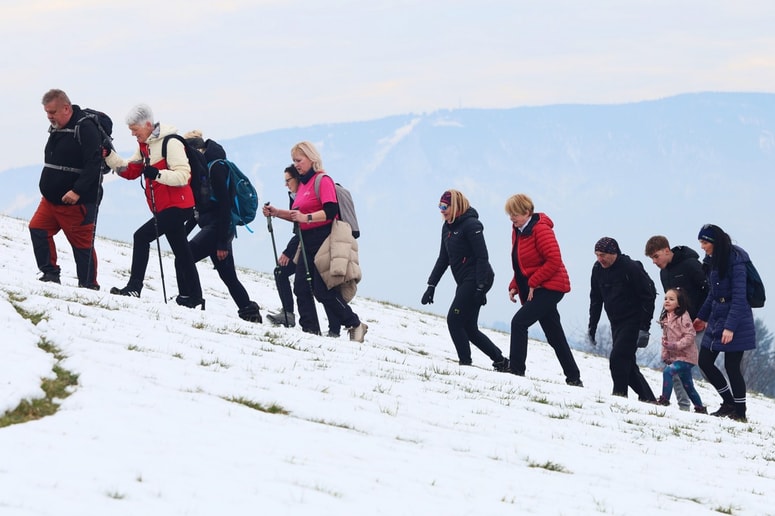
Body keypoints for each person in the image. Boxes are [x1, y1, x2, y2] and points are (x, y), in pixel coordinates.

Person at [264, 142, 367, 341]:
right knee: (301, 287)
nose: (296, 164)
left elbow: (330, 211)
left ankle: (355, 324)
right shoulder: (303, 184)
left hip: (323, 240)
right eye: (294, 161)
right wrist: (276, 212)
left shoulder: (323, 180)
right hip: (306, 242)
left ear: (312, 158)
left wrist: (307, 218)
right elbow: (297, 216)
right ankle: (310, 331)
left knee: (322, 290)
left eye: (299, 160)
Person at [104, 104, 204, 309]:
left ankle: (134, 287)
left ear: (148, 124)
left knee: (141, 237)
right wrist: (108, 155)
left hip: (178, 205)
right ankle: (195, 297)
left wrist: (157, 174)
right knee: (182, 251)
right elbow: (130, 171)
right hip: (166, 206)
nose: (133, 134)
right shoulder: (145, 145)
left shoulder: (170, 142)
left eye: (135, 130)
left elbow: (183, 175)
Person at [422, 190, 509, 371]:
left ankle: (465, 363)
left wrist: (480, 288)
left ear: (455, 206)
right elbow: (443, 259)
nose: (442, 210)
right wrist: (431, 285)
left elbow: (482, 257)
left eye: (445, 206)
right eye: (440, 206)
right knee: (469, 328)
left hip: (478, 278)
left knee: (454, 320)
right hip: (464, 280)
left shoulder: (471, 225)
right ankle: (501, 361)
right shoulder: (447, 227)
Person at [182, 130, 261, 321]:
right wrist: (181, 233)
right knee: (228, 276)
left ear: (194, 150)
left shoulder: (216, 168)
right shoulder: (204, 168)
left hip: (218, 228)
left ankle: (191, 299)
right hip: (216, 228)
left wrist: (222, 243)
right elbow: (200, 207)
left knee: (184, 258)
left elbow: (225, 206)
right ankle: (249, 311)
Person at [504, 194, 582, 385]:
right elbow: (523, 264)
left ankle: (516, 370)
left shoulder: (541, 229)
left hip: (551, 287)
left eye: (515, 214)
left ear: (527, 212)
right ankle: (574, 377)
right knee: (554, 334)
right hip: (538, 286)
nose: (512, 218)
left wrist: (533, 282)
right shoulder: (518, 230)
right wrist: (515, 285)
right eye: (509, 214)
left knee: (519, 322)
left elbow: (554, 260)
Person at [29, 89, 103, 290]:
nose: (49, 116)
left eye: (52, 112)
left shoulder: (85, 128)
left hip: (76, 202)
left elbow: (94, 164)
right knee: (37, 228)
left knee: (81, 245)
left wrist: (77, 190)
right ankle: (50, 274)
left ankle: (88, 286)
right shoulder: (57, 127)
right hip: (50, 200)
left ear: (66, 108)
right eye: (47, 112)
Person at [693, 224, 756, 422]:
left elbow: (739, 298)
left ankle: (740, 412)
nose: (702, 247)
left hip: (737, 320)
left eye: (704, 242)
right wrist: (701, 317)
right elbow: (713, 294)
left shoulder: (736, 261)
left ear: (714, 242)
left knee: (732, 367)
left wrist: (730, 327)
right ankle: (728, 402)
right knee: (705, 361)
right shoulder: (712, 261)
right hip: (717, 317)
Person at [262, 166, 332, 332]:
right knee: (284, 273)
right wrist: (276, 213)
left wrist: (288, 251)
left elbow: (303, 228)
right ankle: (291, 315)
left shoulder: (307, 196)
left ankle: (334, 326)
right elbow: (297, 226)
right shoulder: (295, 196)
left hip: (314, 244)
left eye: (288, 180)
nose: (286, 184)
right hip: (303, 244)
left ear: (297, 179)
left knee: (319, 287)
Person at [588, 237, 657, 402]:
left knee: (618, 358)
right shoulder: (597, 269)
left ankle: (619, 396)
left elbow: (649, 295)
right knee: (627, 363)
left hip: (634, 321)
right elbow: (596, 299)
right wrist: (592, 326)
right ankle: (649, 399)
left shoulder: (630, 267)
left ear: (614, 253)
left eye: (603, 255)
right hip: (616, 321)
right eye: (597, 255)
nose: (600, 259)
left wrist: (644, 328)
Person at [644, 235, 709, 411]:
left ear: (667, 250)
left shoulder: (690, 264)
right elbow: (670, 298)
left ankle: (732, 404)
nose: (654, 262)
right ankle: (684, 407)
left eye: (656, 256)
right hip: (676, 327)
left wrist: (705, 317)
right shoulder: (663, 273)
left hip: (699, 324)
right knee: (675, 368)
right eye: (651, 258)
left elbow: (709, 290)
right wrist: (665, 318)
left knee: (706, 366)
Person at [656, 288, 706, 413]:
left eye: (671, 299)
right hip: (675, 357)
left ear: (679, 303)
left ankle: (664, 399)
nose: (667, 301)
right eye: (665, 298)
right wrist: (665, 355)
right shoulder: (666, 318)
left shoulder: (684, 317)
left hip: (687, 357)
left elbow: (690, 335)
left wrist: (676, 345)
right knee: (688, 385)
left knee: (668, 372)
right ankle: (700, 408)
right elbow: (665, 339)